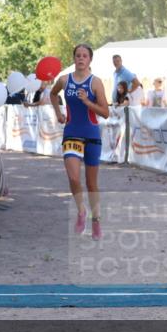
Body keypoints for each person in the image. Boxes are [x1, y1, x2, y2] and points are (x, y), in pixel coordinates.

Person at [50, 44, 110, 239]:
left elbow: (106, 113)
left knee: (91, 183)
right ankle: (81, 211)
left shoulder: (96, 83)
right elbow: (52, 94)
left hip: (91, 134)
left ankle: (96, 221)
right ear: (74, 58)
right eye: (78, 55)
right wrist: (59, 113)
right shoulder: (64, 80)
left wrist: (88, 102)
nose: (81, 59)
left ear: (90, 60)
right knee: (74, 178)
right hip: (72, 133)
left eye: (85, 56)